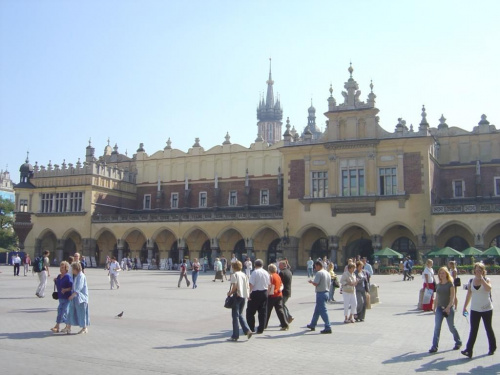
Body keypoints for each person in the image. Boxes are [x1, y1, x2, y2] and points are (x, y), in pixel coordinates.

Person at [461, 262, 496, 358]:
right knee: (473, 330)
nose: (478, 272)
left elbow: (488, 289)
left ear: (483, 271)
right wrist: (464, 306)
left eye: (480, 270)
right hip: (475, 309)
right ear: (474, 270)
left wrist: (482, 279)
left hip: (486, 309)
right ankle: (469, 350)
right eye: (476, 270)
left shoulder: (487, 279)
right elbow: (469, 294)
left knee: (488, 328)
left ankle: (492, 348)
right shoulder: (471, 281)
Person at [429, 267, 462, 353]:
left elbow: (452, 297)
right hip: (440, 308)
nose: (441, 275)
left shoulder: (450, 284)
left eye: (443, 273)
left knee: (451, 327)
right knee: (437, 328)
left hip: (449, 309)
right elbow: (437, 297)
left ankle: (458, 342)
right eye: (440, 273)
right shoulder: (438, 284)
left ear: (446, 274)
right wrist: (434, 307)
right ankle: (434, 346)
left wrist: (448, 307)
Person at [227, 260, 252, 341]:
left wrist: (230, 293)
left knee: (235, 316)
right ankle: (247, 330)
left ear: (233, 267)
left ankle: (235, 335)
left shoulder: (234, 275)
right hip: (243, 296)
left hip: (237, 296)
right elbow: (247, 286)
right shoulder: (244, 275)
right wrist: (248, 295)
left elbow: (234, 286)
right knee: (240, 314)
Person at [63, 262, 89, 334]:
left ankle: (84, 328)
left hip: (81, 299)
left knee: (81, 313)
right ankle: (68, 327)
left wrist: (72, 295)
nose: (72, 271)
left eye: (72, 269)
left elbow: (79, 288)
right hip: (75, 298)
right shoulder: (77, 276)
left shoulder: (81, 276)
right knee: (71, 312)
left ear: (76, 269)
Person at [306, 260, 331, 333]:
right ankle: (312, 324)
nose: (315, 268)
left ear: (318, 266)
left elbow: (316, 283)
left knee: (323, 310)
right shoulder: (327, 272)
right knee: (317, 310)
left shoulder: (319, 273)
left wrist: (311, 282)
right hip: (326, 292)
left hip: (320, 293)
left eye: (316, 266)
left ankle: (328, 326)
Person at [246, 259, 270, 334]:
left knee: (250, 312)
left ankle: (251, 328)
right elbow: (269, 285)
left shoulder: (255, 272)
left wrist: (248, 294)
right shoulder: (266, 272)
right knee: (262, 312)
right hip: (264, 292)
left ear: (255, 265)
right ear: (262, 265)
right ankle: (261, 329)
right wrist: (267, 293)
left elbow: (251, 284)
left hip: (256, 293)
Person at [265, 264, 289, 331]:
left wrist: (267, 293)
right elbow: (281, 284)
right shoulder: (278, 275)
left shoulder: (271, 276)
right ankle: (285, 324)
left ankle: (264, 324)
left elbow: (269, 286)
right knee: (279, 310)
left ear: (269, 269)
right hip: (279, 294)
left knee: (267, 310)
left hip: (272, 295)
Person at [51, 261, 73, 333]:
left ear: (66, 268)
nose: (61, 269)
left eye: (63, 267)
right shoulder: (59, 276)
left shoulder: (68, 277)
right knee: (60, 311)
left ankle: (60, 326)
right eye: (60, 267)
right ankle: (63, 326)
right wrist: (55, 281)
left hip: (67, 297)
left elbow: (71, 287)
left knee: (64, 311)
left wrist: (66, 289)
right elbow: (58, 286)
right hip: (61, 297)